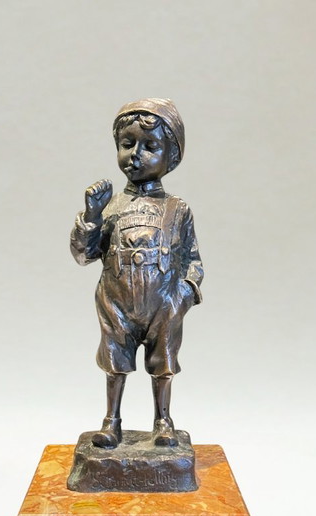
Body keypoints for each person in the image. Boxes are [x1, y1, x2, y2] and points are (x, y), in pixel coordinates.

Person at [70, 98, 203, 449]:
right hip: (117, 302)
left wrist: (184, 294)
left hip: (163, 305)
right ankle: (111, 421)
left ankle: (163, 421)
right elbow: (84, 255)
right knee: (115, 363)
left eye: (150, 146)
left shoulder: (177, 209)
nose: (135, 155)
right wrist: (91, 216)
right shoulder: (111, 206)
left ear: (170, 155)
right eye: (127, 144)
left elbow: (192, 260)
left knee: (163, 365)